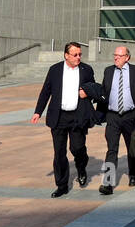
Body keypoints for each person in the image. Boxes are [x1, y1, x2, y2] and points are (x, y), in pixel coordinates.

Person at [31, 42, 98, 197]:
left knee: (77, 148)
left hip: (78, 116)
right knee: (59, 152)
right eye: (75, 55)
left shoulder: (86, 70)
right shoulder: (55, 70)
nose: (78, 57)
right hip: (59, 116)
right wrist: (38, 111)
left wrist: (87, 92)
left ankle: (81, 167)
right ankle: (61, 185)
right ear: (66, 55)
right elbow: (46, 91)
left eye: (80, 54)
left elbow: (94, 88)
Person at [99, 45, 135, 195]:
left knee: (132, 148)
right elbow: (103, 92)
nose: (116, 58)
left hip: (130, 116)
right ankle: (108, 183)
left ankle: (133, 174)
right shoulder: (108, 71)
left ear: (127, 57)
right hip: (112, 116)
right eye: (115, 55)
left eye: (119, 56)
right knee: (111, 149)